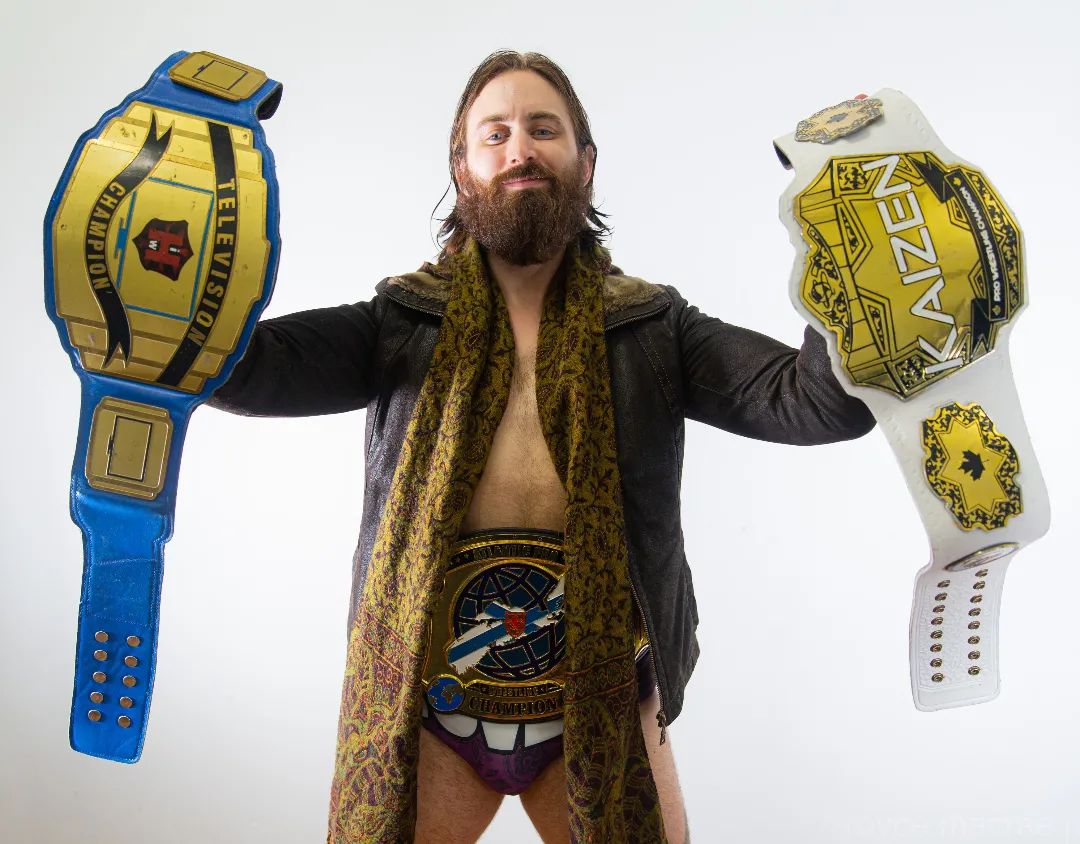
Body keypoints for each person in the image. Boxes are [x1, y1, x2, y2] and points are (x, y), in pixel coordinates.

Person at [209, 50, 875, 844]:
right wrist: (203, 243)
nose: (519, 148)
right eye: (494, 134)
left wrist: (849, 249)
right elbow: (236, 370)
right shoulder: (398, 322)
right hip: (430, 705)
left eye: (543, 129)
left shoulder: (654, 326)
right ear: (462, 169)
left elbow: (819, 404)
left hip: (605, 701)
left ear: (585, 163)